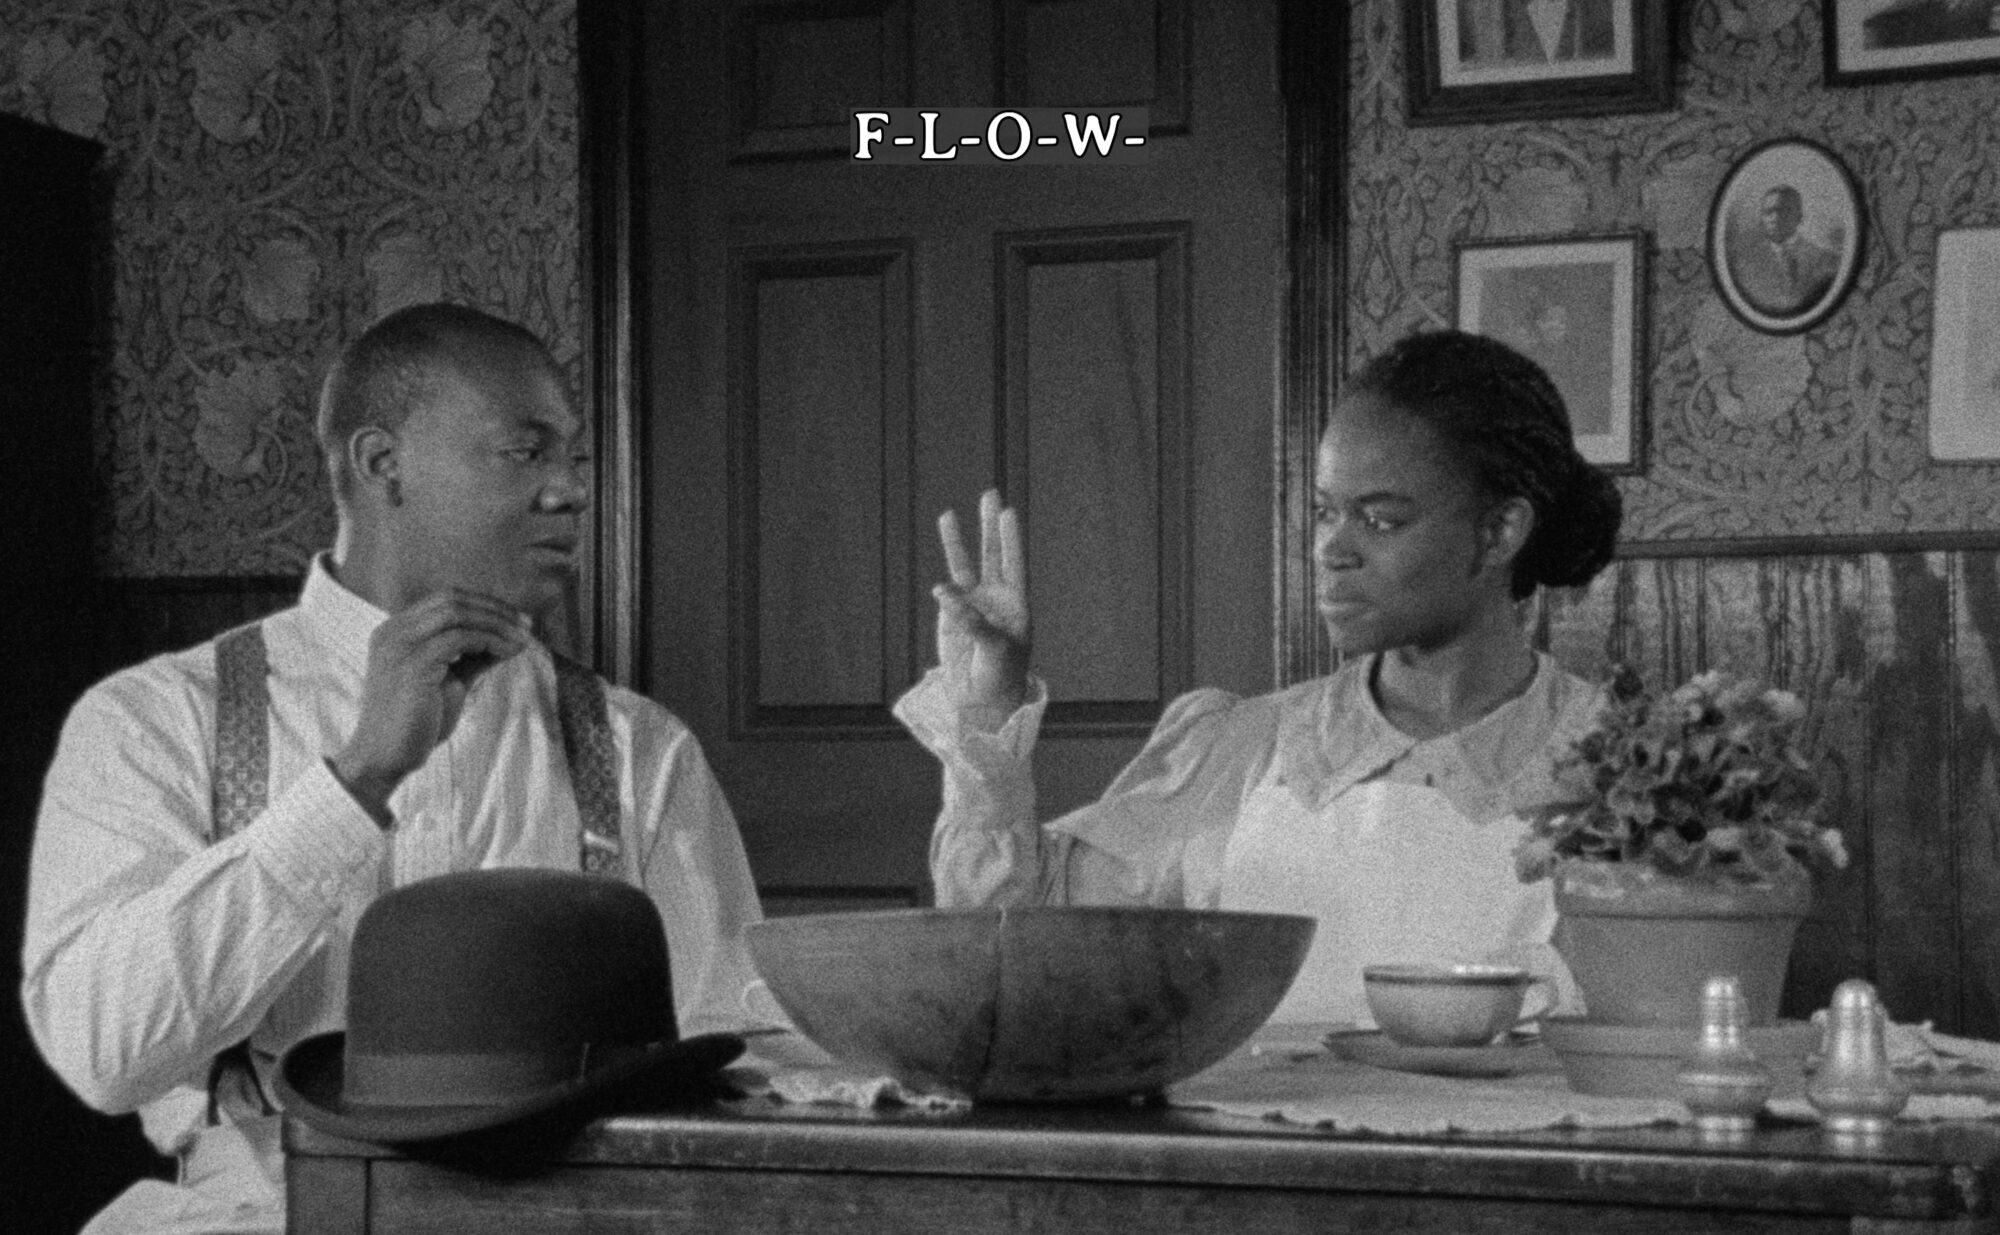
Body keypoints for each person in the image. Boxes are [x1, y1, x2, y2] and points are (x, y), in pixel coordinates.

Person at [20, 304, 769, 1235]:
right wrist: (352, 782)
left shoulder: (639, 748)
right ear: (383, 465)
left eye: (572, 458)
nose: (572, 491)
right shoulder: (158, 720)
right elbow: (105, 1052)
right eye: (524, 452)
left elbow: (741, 1060)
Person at [895, 329, 1623, 1028]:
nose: (1331, 549)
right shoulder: (1248, 750)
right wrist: (991, 699)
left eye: (1380, 519)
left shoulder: (1628, 773)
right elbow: (1014, 940)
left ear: (1500, 532)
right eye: (1325, 511)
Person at [1730, 185, 1842, 318]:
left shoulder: (1825, 259)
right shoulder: (1747, 263)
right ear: (1762, 218)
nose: (1775, 217)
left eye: (1784, 211)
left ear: (1799, 217)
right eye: (1769, 212)